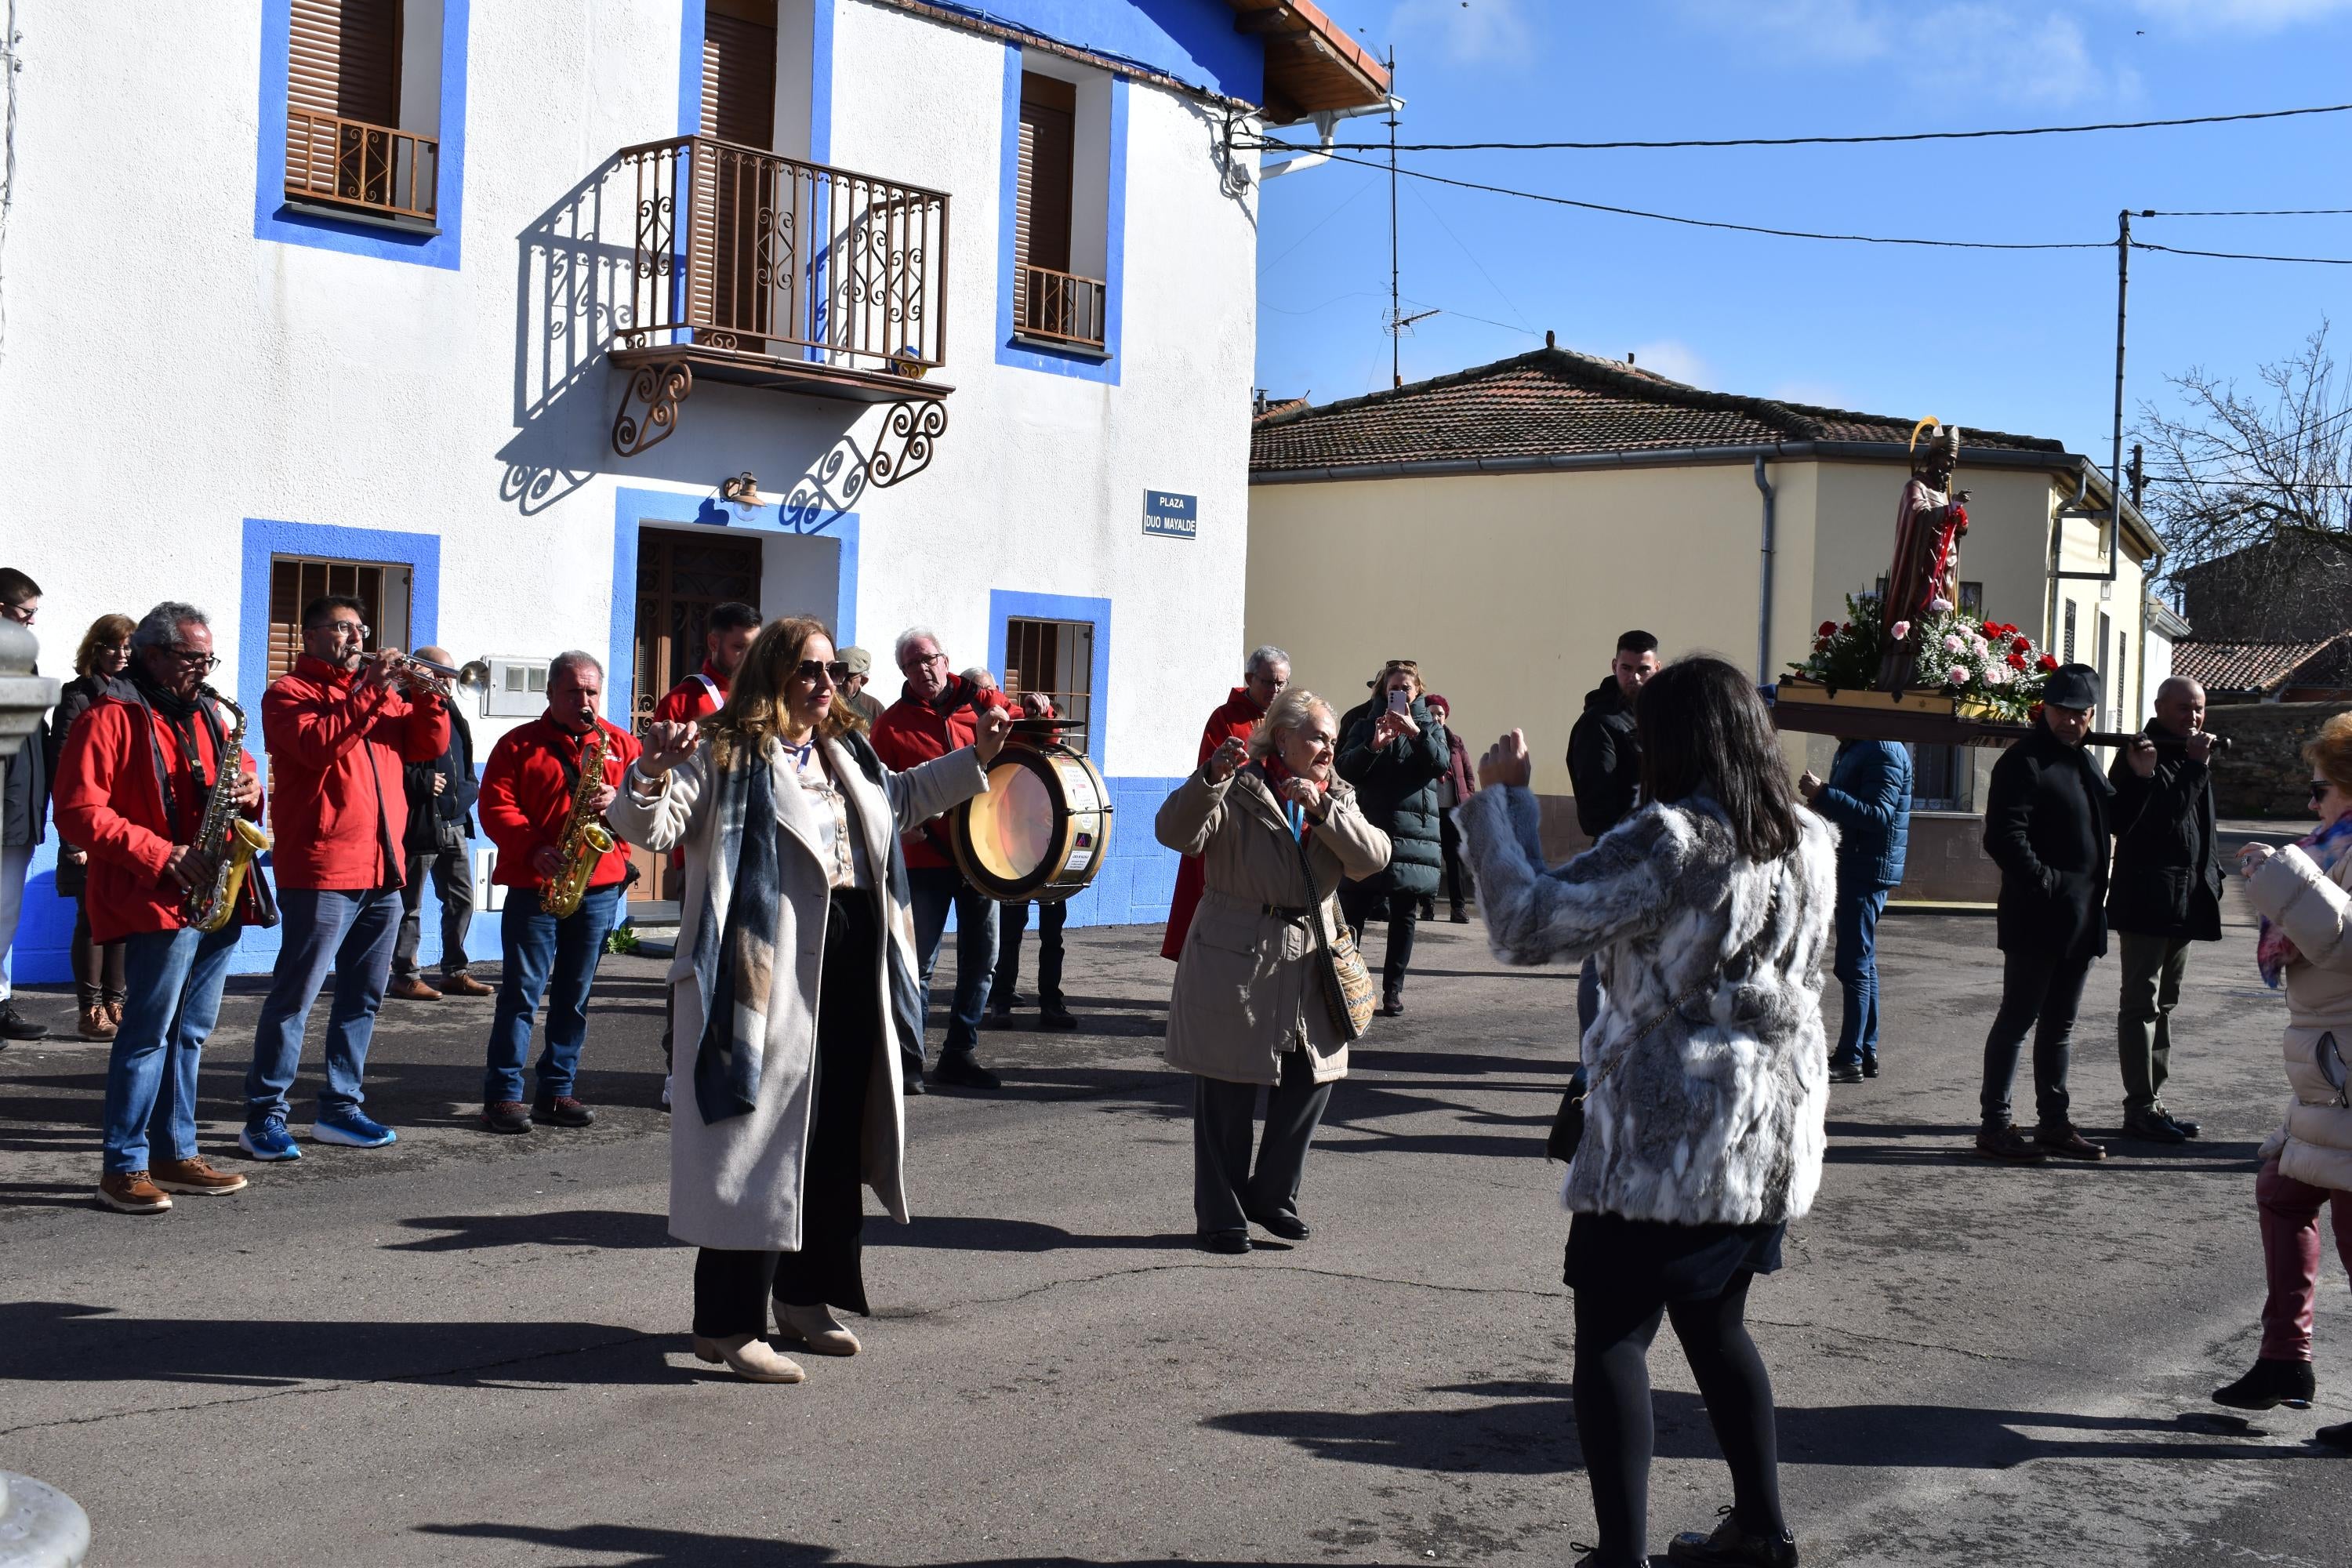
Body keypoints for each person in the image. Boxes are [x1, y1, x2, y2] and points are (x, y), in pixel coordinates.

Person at [1454, 655, 1835, 1568]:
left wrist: (1500, 802)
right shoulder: (1811, 838)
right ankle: (1762, 1530)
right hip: (1764, 1127)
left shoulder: (1673, 838)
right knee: (1717, 1324)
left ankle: (1621, 1557)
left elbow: (1526, 922)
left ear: (1673, 741)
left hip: (1666, 1134)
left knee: (1615, 1333)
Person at [608, 616, 1005, 1382]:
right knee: (753, 1146)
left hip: (851, 965)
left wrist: (979, 757)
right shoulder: (725, 751)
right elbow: (648, 826)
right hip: (758, 977)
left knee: (827, 1141)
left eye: (831, 672)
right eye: (810, 672)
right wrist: (649, 770)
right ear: (772, 676)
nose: (828, 686)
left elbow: (903, 799)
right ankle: (727, 1322)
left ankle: (803, 1295)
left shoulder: (845, 748)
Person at [1156, 688, 1390, 1254]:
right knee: (1227, 1090)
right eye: (1317, 736)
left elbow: (1372, 859)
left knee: (1313, 1080)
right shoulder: (1234, 784)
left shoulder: (1336, 793)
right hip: (1235, 954)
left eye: (1333, 739)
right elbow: (1175, 832)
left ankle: (1271, 1195)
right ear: (1282, 736)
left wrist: (1325, 810)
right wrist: (1209, 778)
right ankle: (1221, 1217)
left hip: (1311, 958)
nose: (1328, 748)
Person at [54, 601, 259, 1214]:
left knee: (190, 1034)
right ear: (152, 653)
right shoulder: (107, 718)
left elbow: (237, 770)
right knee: (145, 1035)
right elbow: (79, 813)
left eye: (207, 658)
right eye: (191, 657)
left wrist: (253, 787)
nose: (203, 669)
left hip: (213, 889)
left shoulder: (210, 715)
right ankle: (123, 1166)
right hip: (153, 895)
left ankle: (175, 1152)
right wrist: (160, 854)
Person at [241, 594, 449, 1161]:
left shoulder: (380, 696)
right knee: (296, 997)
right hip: (323, 868)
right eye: (342, 628)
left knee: (364, 997)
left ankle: (340, 1108)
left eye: (361, 628)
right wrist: (368, 691)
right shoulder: (289, 694)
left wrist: (429, 698)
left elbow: (427, 746)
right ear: (308, 636)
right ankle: (264, 1116)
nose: (356, 638)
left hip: (383, 867)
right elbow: (316, 747)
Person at [2215, 712, 2352, 1447]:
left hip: (2345, 1068)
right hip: (2332, 1069)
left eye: (2321, 787)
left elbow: (2344, 942)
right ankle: (2283, 1362)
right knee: (2281, 1187)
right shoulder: (2339, 843)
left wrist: (2283, 874)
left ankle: (2284, 1363)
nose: (2311, 802)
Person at [475, 652, 641, 1134]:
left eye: (591, 692)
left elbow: (649, 807)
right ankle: (504, 1095)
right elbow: (496, 806)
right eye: (573, 692)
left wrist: (622, 802)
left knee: (575, 995)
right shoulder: (518, 745)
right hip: (536, 885)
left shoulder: (621, 744)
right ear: (551, 693)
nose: (584, 702)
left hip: (599, 884)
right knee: (522, 994)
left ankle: (556, 1090)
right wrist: (532, 848)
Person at [1975, 663, 2111, 1164]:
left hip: (2080, 919)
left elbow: (2115, 825)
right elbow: (2003, 837)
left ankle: (2053, 1123)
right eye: (2060, 711)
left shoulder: (2084, 762)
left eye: (2078, 714)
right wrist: (2047, 883)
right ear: (2044, 709)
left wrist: (2140, 777)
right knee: (2018, 1020)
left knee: (2060, 1026)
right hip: (2038, 918)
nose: (2068, 721)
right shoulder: (2024, 761)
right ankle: (1995, 1125)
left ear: (2091, 716)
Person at [870, 626, 1014, 1091]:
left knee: (981, 960)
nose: (924, 669)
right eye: (913, 664)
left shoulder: (978, 705)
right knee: (918, 964)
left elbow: (1023, 725)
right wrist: (898, 825)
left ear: (945, 659)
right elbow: (877, 790)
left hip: (983, 857)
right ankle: (909, 1058)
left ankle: (959, 1054)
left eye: (930, 659)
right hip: (924, 861)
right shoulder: (890, 724)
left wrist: (1031, 706)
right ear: (903, 673)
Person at [2107, 676, 2222, 1143]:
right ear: (2159, 707)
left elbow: (2201, 831)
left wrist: (2212, 879)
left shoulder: (2192, 757)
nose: (2192, 718)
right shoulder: (2142, 754)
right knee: (2141, 1004)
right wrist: (2195, 768)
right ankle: (2139, 1107)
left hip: (2185, 899)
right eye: (2183, 709)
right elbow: (2153, 824)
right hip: (2148, 900)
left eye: (2199, 709)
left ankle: (2154, 1102)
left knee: (2165, 1004)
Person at [1161, 645, 1289, 961]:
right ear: (1249, 679)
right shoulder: (1226, 718)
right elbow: (1210, 770)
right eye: (1269, 682)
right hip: (1229, 828)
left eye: (1282, 684)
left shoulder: (1286, 720)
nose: (1275, 690)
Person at [1797, 739, 1912, 1083]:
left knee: (1854, 964)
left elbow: (1877, 815)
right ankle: (1864, 1051)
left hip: (1866, 869)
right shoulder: (1857, 746)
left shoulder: (1882, 749)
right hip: (1860, 865)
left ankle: (1850, 1058)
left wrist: (1824, 794)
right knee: (1861, 962)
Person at [1338, 660, 1447, 1017]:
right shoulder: (1364, 721)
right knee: (1353, 909)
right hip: (1368, 826)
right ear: (1384, 690)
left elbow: (1440, 765)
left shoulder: (1430, 724)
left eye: (1407, 689)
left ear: (1417, 692)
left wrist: (1415, 733)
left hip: (1412, 833)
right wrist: (1373, 744)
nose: (1399, 694)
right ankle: (1344, 982)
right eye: (1393, 688)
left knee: (1404, 914)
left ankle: (1392, 991)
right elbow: (1345, 768)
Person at [1567, 631, 1661, 1040]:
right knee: (1602, 966)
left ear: (1657, 668)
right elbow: (1596, 812)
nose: (1635, 678)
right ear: (1614, 667)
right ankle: (1595, 1056)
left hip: (1660, 858)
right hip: (1617, 858)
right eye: (1627, 669)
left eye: (1644, 669)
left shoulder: (1661, 718)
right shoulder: (1599, 723)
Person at [48, 612, 136, 1040]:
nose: (121, 654)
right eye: (112, 646)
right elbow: (64, 770)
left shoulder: (138, 693)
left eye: (128, 647)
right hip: (91, 824)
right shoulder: (77, 696)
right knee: (91, 917)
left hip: (129, 826)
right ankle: (90, 1009)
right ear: (95, 649)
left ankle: (117, 1003)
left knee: (121, 913)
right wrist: (73, 839)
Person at [388, 645, 488, 1003]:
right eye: (440, 674)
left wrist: (470, 787)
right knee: (410, 904)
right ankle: (405, 975)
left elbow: (462, 756)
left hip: (455, 820)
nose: (447, 682)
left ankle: (455, 971)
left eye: (449, 675)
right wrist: (420, 781)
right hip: (420, 822)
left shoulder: (450, 706)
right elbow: (386, 764)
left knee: (461, 899)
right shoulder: (402, 703)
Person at [989, 692, 1075, 1032]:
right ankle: (1001, 1000)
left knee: (1052, 936)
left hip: (1053, 860)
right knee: (1010, 934)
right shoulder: (1021, 757)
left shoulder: (1062, 765)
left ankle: (1051, 1002)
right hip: (1020, 857)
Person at [1876, 423, 1971, 691]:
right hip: (1920, 568)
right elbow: (1917, 515)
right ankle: (1908, 670)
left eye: (1954, 462)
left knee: (1941, 616)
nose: (1950, 467)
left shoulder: (1944, 492)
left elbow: (1954, 528)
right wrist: (1947, 510)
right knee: (1918, 614)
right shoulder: (1915, 486)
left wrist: (1959, 519)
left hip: (1945, 568)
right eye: (1947, 460)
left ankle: (1938, 667)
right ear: (1933, 457)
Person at [0, 567, 49, 1042]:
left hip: (20, 809)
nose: (31, 622)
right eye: (26, 614)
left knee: (5, 913)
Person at [652, 601, 762, 729]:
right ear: (713, 643)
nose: (749, 656)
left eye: (754, 648)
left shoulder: (764, 696)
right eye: (739, 647)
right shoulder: (679, 702)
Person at [1425, 693, 1477, 923]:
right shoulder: (1419, 739)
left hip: (1453, 811)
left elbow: (1467, 774)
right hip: (1429, 810)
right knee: (1430, 860)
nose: (1436, 718)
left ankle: (1458, 908)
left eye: (1440, 714)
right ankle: (1427, 906)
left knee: (1455, 859)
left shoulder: (1455, 741)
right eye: (1431, 714)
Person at [838, 646, 886, 728]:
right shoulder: (822, 701)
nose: (838, 682)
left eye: (846, 677)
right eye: (835, 673)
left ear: (863, 680)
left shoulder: (875, 709)